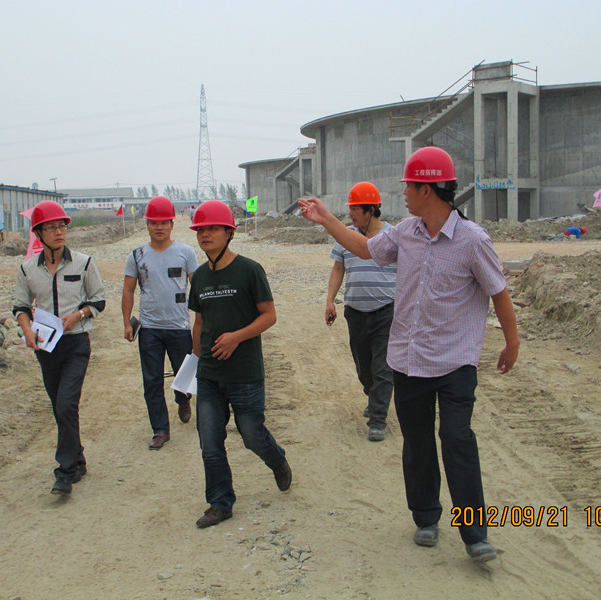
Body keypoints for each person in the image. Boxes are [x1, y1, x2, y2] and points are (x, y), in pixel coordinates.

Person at [299, 146, 519, 563]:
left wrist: (512, 342)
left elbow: (498, 291)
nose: (403, 194)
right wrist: (327, 219)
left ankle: (474, 535)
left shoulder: (473, 240)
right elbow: (364, 248)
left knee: (457, 440)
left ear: (427, 189)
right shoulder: (406, 233)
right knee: (417, 443)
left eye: (408, 187)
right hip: (410, 360)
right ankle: (426, 517)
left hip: (455, 362)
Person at [188, 200, 291, 529]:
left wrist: (237, 337)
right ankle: (220, 503)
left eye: (212, 228)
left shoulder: (249, 270)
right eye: (200, 229)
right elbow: (199, 322)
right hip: (209, 376)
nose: (205, 234)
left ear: (229, 233)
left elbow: (269, 316)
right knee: (210, 443)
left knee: (251, 436)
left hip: (245, 374)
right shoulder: (199, 276)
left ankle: (277, 460)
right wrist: (194, 360)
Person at [13, 201, 106, 495]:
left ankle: (64, 473)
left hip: (76, 342)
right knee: (59, 407)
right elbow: (20, 306)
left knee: (66, 404)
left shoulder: (84, 263)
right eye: (51, 227)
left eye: (62, 226)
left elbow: (98, 300)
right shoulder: (27, 269)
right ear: (38, 233)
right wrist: (27, 330)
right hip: (45, 347)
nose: (58, 232)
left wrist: (78, 315)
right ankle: (77, 459)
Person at [121, 196, 199, 450]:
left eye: (164, 222)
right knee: (151, 380)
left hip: (179, 327)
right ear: (147, 225)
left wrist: (204, 320)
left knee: (183, 374)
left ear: (172, 224)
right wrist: (127, 322)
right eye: (154, 222)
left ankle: (183, 399)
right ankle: (160, 430)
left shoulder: (186, 253)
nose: (159, 227)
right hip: (149, 328)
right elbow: (128, 290)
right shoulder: (137, 255)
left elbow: (198, 287)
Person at [326, 181, 396, 442]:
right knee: (363, 367)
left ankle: (378, 418)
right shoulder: (345, 236)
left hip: (387, 312)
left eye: (355, 208)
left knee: (382, 368)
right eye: (351, 208)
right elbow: (338, 268)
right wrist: (330, 300)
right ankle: (374, 395)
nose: (351, 213)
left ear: (371, 210)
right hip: (355, 312)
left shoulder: (392, 237)